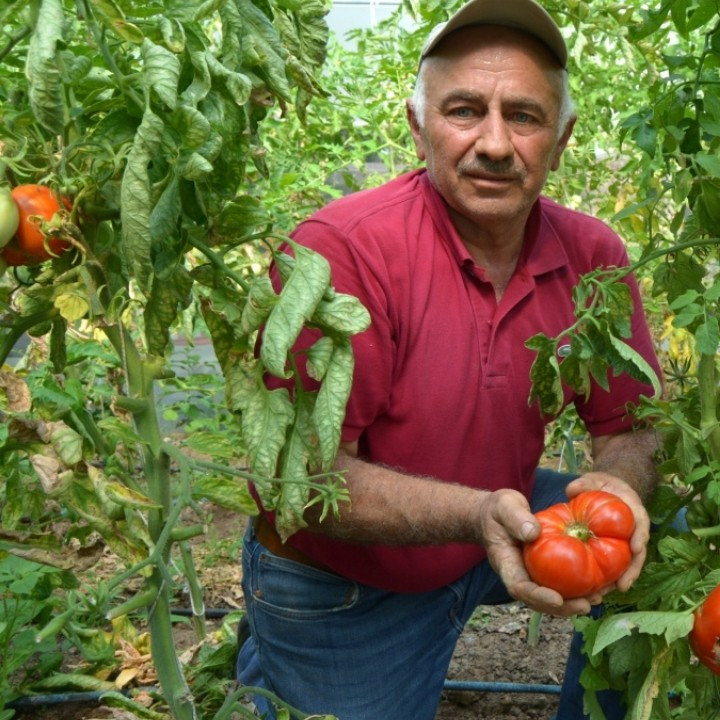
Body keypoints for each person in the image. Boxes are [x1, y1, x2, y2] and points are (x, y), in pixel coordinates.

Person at [234, 0, 662, 717]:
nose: (494, 143)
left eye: (524, 117)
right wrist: (478, 514)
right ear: (417, 126)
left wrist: (619, 489)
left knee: (665, 529)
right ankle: (282, 650)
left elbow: (628, 426)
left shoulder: (593, 256)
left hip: (501, 521)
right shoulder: (339, 254)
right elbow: (303, 479)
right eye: (464, 110)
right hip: (348, 585)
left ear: (561, 141)